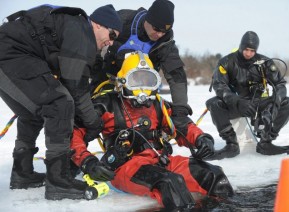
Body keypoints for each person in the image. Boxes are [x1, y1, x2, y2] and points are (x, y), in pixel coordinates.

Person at [71, 51, 234, 210]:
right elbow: (75, 133)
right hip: (126, 166)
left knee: (214, 175)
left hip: (161, 159)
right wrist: (88, 162)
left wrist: (201, 138)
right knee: (169, 182)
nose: (143, 88)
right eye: (136, 79)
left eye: (148, 80)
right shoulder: (105, 104)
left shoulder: (158, 104)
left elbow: (180, 125)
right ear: (123, 81)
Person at [0, 4, 122, 200]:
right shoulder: (82, 32)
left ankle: (22, 174)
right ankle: (59, 180)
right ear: (98, 25)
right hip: (10, 57)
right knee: (59, 103)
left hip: (8, 56)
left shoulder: (76, 28)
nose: (110, 42)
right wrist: (93, 122)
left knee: (31, 113)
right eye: (112, 35)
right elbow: (75, 88)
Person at [90, 0, 193, 132]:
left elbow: (176, 75)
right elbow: (94, 37)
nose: (160, 34)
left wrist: (180, 111)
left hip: (142, 88)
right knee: (90, 111)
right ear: (147, 20)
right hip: (109, 75)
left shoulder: (165, 42)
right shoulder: (122, 21)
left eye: (164, 31)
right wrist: (95, 65)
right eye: (157, 29)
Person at [204, 31, 289, 160]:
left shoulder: (265, 62)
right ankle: (231, 144)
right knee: (213, 103)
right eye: (246, 49)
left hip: (258, 104)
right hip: (235, 104)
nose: (249, 53)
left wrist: (274, 106)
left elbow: (280, 84)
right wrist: (237, 101)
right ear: (241, 46)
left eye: (252, 51)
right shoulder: (226, 62)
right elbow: (219, 86)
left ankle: (266, 142)